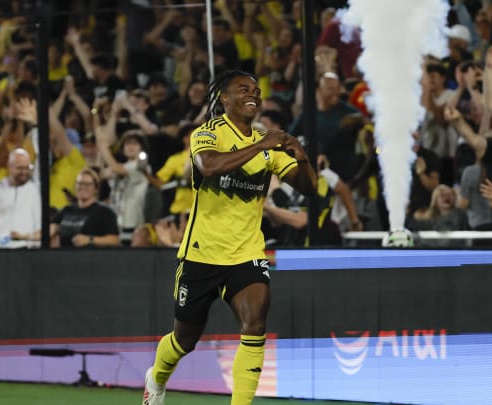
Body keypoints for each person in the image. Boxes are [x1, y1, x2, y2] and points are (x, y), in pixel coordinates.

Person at [142, 70, 316, 405]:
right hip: (201, 252)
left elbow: (309, 187)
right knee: (185, 339)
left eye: (256, 90)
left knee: (255, 323)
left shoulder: (268, 143)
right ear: (224, 98)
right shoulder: (207, 133)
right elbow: (208, 166)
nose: (253, 94)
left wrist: (300, 154)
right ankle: (157, 378)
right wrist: (262, 145)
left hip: (245, 252)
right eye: (243, 89)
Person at [50, 168, 120, 248]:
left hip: (90, 258)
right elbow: (51, 229)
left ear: (96, 189)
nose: (82, 187)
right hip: (64, 258)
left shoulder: (105, 212)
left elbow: (115, 240)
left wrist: (90, 240)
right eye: (79, 183)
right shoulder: (66, 210)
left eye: (88, 184)